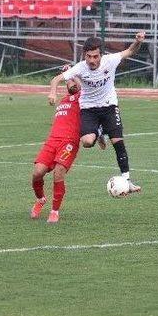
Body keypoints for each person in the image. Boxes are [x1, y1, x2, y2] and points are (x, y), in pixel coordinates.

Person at [48, 31, 146, 194]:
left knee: (117, 142)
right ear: (84, 55)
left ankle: (127, 181)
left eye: (95, 56)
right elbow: (56, 79)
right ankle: (99, 132)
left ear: (101, 54)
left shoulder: (111, 60)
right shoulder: (80, 67)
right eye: (89, 57)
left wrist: (138, 42)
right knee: (87, 142)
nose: (92, 60)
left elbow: (130, 51)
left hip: (109, 106)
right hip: (88, 109)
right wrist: (52, 92)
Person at [31, 76, 105, 224]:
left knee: (59, 172)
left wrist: (74, 75)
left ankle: (54, 211)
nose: (70, 83)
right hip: (52, 141)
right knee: (37, 173)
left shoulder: (84, 98)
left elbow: (84, 88)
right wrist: (62, 80)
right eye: (68, 81)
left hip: (68, 143)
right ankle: (40, 199)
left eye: (73, 80)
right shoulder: (64, 100)